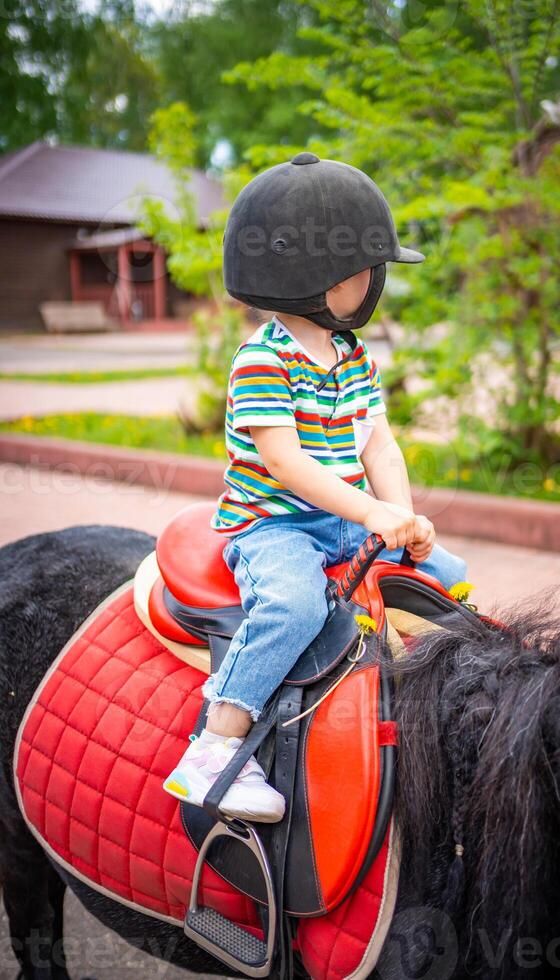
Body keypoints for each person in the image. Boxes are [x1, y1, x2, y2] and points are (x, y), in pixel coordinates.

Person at [163, 153, 467, 822]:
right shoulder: (262, 361)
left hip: (345, 519)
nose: (372, 281)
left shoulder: (352, 355)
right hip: (274, 526)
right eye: (364, 269)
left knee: (446, 573)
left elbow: (377, 441)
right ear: (314, 279)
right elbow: (287, 465)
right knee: (295, 606)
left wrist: (403, 517)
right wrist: (372, 511)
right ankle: (216, 746)